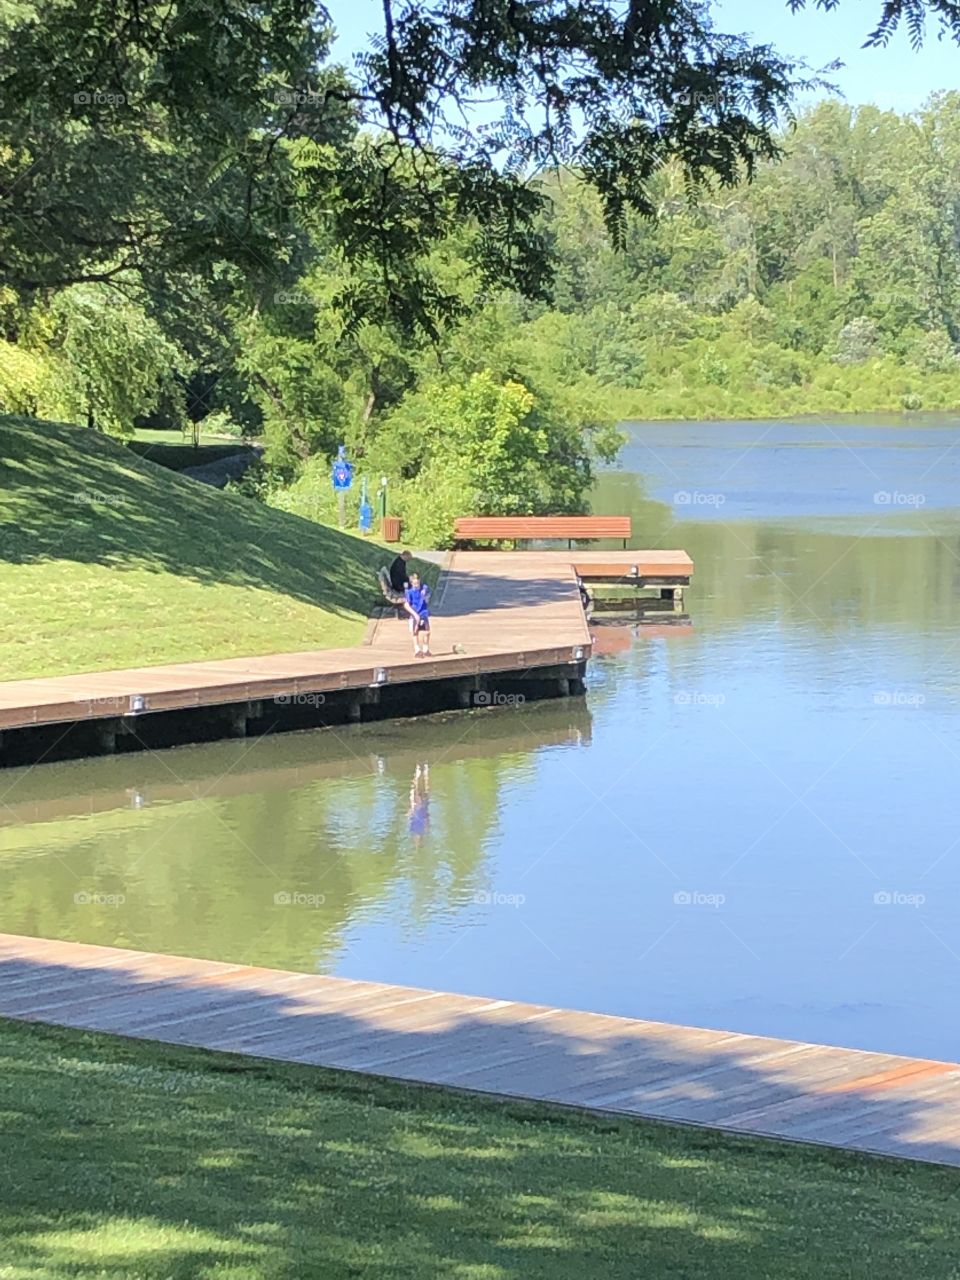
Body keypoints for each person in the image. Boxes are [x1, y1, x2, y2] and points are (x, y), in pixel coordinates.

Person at [404, 571, 432, 657]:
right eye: (414, 582)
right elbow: (407, 603)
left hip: (423, 612)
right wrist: (414, 614)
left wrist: (426, 595)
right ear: (411, 583)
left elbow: (428, 596)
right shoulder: (409, 592)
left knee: (427, 631)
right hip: (415, 613)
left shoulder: (424, 588)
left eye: (417, 581)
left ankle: (426, 648)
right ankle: (417, 650)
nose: (416, 584)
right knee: (415, 632)